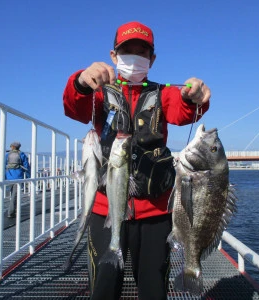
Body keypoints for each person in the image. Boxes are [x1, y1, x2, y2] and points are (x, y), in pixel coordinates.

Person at [62, 21, 211, 300]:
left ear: (152, 59)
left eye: (141, 52)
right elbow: (74, 108)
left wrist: (195, 96)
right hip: (105, 211)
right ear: (113, 55)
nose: (134, 56)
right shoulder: (99, 91)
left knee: (154, 288)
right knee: (104, 287)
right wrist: (81, 80)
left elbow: (184, 112)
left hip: (156, 213)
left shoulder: (163, 93)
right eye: (126, 50)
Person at [5, 141, 30, 218]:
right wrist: (29, 177)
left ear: (11, 147)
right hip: (18, 176)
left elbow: (4, 165)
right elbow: (26, 166)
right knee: (15, 195)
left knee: (13, 194)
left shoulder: (7, 155)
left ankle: (13, 211)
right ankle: (11, 212)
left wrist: (4, 176)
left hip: (9, 176)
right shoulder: (21, 154)